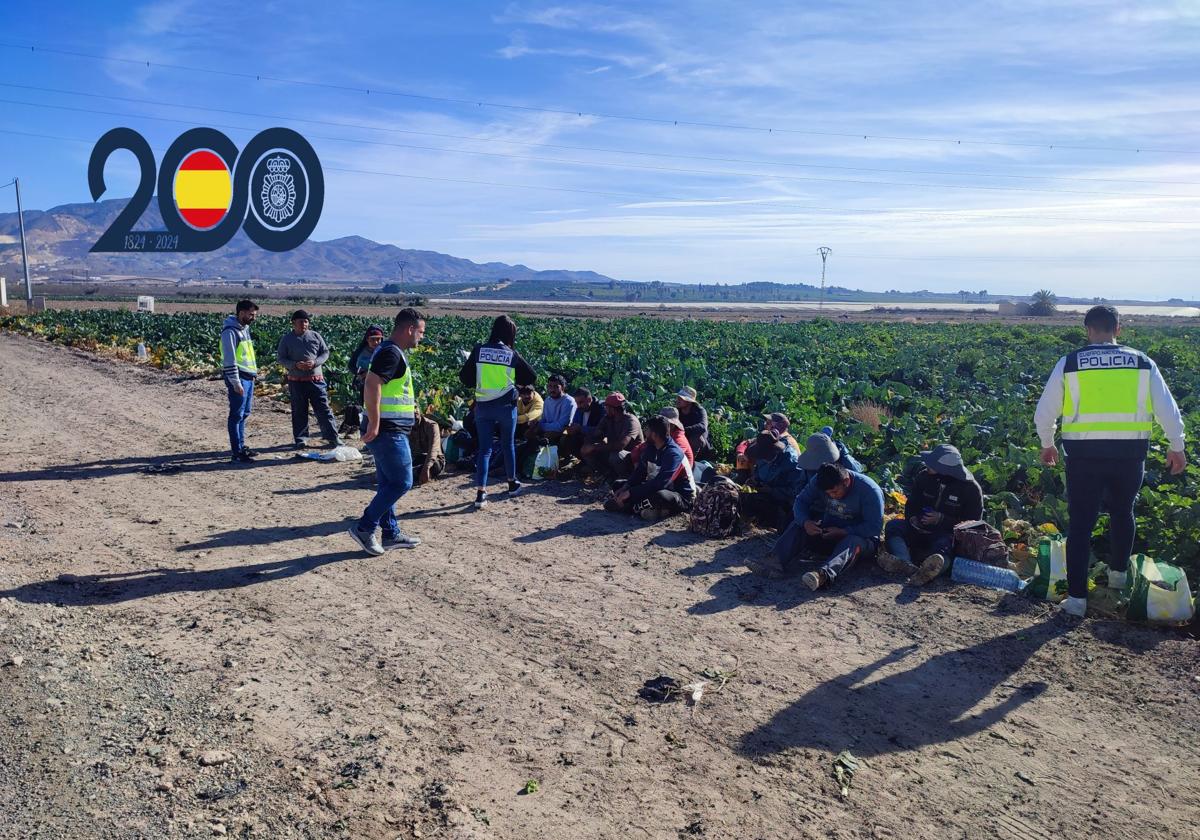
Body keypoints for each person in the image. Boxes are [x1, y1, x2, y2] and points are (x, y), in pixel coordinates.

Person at [1034, 304, 1187, 617]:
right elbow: (1167, 408)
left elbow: (1046, 410)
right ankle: (1118, 578)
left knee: (1081, 523)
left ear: (1088, 330)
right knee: (1122, 512)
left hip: (1083, 456)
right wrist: (1176, 445)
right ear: (1119, 329)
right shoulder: (1143, 362)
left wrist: (1047, 443)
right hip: (1129, 455)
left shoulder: (1071, 362)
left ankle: (1076, 600)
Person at [348, 308, 426, 556]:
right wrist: (374, 422)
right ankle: (364, 527)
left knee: (387, 483)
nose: (421, 338)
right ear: (409, 329)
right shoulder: (392, 352)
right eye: (421, 332)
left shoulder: (390, 351)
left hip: (391, 427)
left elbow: (389, 388)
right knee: (402, 482)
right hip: (388, 430)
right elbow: (372, 384)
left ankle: (390, 533)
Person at [749, 462, 884, 591]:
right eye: (828, 494)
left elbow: (873, 528)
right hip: (829, 531)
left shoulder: (870, 491)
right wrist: (806, 522)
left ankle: (823, 575)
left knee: (852, 541)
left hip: (860, 541)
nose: (832, 496)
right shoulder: (818, 480)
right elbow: (801, 501)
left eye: (834, 492)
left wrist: (844, 532)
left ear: (846, 482)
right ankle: (774, 561)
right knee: (799, 524)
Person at [458, 315, 537, 509]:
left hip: (483, 407)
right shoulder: (511, 354)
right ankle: (512, 484)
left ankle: (481, 493)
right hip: (505, 407)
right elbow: (532, 376)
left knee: (484, 450)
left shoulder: (478, 351)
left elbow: (465, 378)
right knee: (507, 445)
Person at [877, 444, 984, 585]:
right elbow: (912, 504)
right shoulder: (924, 477)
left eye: (931, 464)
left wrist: (942, 519)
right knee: (893, 526)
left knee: (944, 547)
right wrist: (913, 517)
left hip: (946, 535)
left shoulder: (971, 489)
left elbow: (973, 524)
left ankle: (929, 572)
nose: (926, 465)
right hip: (919, 529)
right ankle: (905, 564)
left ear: (944, 470)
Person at [603, 415, 696, 521]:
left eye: (647, 430)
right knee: (618, 484)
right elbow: (640, 473)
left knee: (660, 496)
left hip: (679, 495)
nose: (645, 433)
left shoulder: (673, 453)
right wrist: (626, 487)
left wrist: (630, 493)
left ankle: (629, 508)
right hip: (656, 486)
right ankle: (652, 508)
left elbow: (661, 483)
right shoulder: (651, 448)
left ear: (654, 435)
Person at [276, 310, 342, 449]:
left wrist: (315, 362)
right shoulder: (287, 339)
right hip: (296, 380)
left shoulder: (315, 336)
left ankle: (332, 437)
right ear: (293, 323)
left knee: (323, 409)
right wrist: (294, 365)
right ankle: (301, 439)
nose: (304, 324)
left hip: (315, 379)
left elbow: (325, 353)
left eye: (306, 321)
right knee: (299, 410)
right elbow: (281, 358)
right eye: (300, 322)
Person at [739, 430, 808, 530]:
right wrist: (754, 480)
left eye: (766, 456)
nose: (764, 459)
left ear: (775, 450)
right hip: (765, 493)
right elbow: (758, 472)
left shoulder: (790, 463)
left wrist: (771, 490)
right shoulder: (762, 457)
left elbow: (795, 491)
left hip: (783, 501)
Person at [220, 299, 259, 462]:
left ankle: (241, 446)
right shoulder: (230, 332)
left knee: (244, 413)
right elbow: (229, 359)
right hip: (239, 377)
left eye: (255, 315)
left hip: (249, 376)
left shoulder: (245, 329)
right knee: (236, 415)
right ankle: (236, 451)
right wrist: (235, 382)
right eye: (251, 314)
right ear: (241, 313)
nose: (253, 318)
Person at [518, 374, 576, 473]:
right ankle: (526, 462)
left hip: (564, 431)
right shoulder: (548, 400)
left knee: (547, 435)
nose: (552, 389)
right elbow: (544, 419)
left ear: (562, 387)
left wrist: (541, 426)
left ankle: (565, 457)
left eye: (555, 387)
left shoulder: (568, 401)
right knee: (529, 433)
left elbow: (561, 425)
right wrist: (536, 424)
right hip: (548, 429)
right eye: (550, 386)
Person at [580, 392, 643, 481]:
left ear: (612, 409)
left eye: (606, 407)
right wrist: (588, 444)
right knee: (587, 449)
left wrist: (594, 446)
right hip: (613, 451)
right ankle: (607, 475)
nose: (605, 409)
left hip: (632, 457)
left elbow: (620, 445)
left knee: (616, 456)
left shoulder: (631, 421)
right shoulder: (607, 419)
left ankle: (625, 478)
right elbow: (596, 434)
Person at [343, 324, 385, 435]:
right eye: (372, 340)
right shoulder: (361, 352)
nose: (376, 343)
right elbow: (352, 366)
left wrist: (371, 373)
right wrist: (360, 373)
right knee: (367, 407)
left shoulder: (385, 352)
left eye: (378, 340)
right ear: (367, 340)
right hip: (363, 383)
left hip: (380, 385)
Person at [630, 407, 695, 469]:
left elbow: (672, 460)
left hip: (678, 475)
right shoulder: (662, 435)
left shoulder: (679, 440)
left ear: (672, 425)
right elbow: (639, 448)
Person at [561, 387, 604, 463]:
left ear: (589, 400)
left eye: (581, 402)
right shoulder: (579, 409)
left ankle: (595, 466)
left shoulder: (601, 408)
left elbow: (601, 430)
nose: (578, 406)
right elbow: (575, 424)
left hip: (597, 439)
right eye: (576, 403)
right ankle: (583, 461)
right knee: (566, 439)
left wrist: (581, 428)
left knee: (588, 441)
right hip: (582, 437)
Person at [675, 386, 713, 459]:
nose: (678, 400)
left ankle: (690, 461)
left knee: (696, 438)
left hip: (700, 444)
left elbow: (702, 427)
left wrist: (683, 430)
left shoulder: (700, 411)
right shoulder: (677, 411)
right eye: (678, 397)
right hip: (682, 437)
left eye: (681, 398)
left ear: (689, 401)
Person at [410, 410, 446, 486]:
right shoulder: (405, 427)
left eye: (416, 408)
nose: (414, 412)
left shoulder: (431, 425)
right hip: (416, 459)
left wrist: (426, 468)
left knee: (436, 466)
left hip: (433, 460)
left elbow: (434, 449)